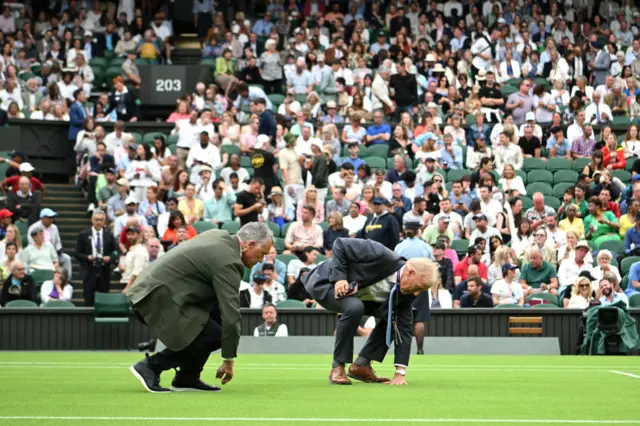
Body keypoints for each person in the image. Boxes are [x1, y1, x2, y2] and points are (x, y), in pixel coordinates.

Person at [127, 222, 273, 393]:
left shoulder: (218, 235)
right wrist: (228, 360)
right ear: (250, 245)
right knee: (215, 333)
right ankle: (151, 366)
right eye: (261, 253)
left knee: (216, 319)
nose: (262, 260)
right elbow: (232, 317)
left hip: (154, 292)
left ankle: (188, 376)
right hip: (153, 298)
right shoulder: (228, 261)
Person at [303, 238, 438, 385]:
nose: (417, 293)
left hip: (358, 297)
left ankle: (361, 365)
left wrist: (400, 373)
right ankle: (338, 367)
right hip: (326, 283)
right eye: (418, 287)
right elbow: (340, 244)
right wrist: (339, 278)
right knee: (355, 307)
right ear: (410, 273)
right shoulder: (381, 254)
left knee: (394, 316)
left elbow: (403, 328)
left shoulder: (406, 292)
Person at [75, 209, 117, 307]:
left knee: (104, 300)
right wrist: (87, 257)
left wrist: (109, 258)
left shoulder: (109, 235)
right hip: (89, 270)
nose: (99, 222)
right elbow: (77, 254)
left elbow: (115, 253)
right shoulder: (83, 235)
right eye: (97, 219)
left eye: (101, 220)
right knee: (88, 299)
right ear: (92, 220)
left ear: (104, 221)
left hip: (104, 271)